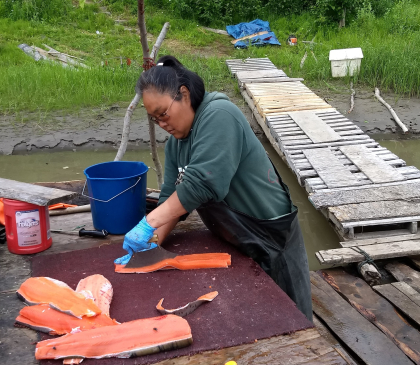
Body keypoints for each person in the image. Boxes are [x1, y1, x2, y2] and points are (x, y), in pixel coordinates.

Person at [114, 55, 312, 321]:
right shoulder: (176, 144)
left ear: (183, 94)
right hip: (236, 239)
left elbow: (202, 183)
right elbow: (169, 201)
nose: (162, 124)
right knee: (254, 318)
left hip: (271, 238)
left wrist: (146, 223)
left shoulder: (219, 115)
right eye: (154, 119)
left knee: (291, 320)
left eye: (163, 114)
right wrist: (150, 245)